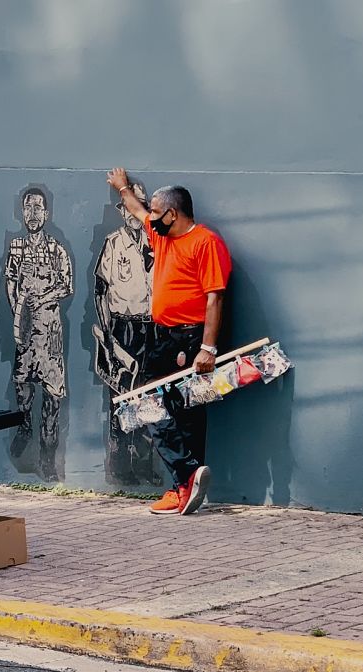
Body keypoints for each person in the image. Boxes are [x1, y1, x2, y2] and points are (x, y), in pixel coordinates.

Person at [107, 168, 231, 516]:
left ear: (173, 214)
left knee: (180, 411)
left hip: (189, 339)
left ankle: (184, 482)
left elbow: (215, 298)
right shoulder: (161, 235)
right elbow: (137, 210)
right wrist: (122, 187)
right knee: (157, 407)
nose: (153, 218)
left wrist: (208, 349)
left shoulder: (205, 242)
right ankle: (187, 481)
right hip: (162, 337)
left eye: (159, 212)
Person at [93, 183, 160, 485]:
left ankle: (144, 465)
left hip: (150, 326)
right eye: (130, 206)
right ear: (122, 211)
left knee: (149, 395)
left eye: (140, 205)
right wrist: (107, 333)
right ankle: (120, 467)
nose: (134, 212)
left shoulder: (156, 242)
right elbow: (100, 290)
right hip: (122, 326)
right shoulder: (113, 242)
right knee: (120, 397)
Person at [5, 188, 73, 481]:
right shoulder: (16, 247)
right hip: (26, 329)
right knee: (22, 384)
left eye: (38, 208)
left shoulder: (57, 249)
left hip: (51, 331)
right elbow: (10, 281)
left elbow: (67, 286)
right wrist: (18, 312)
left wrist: (43, 297)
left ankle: (48, 457)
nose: (33, 214)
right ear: (22, 213)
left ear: (47, 213)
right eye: (28, 208)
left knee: (53, 395)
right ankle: (24, 425)